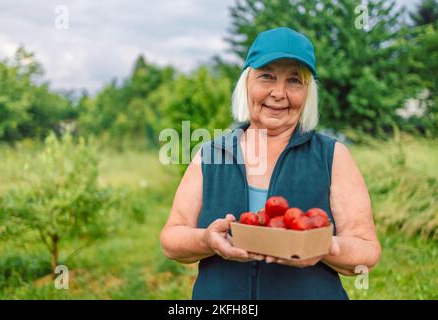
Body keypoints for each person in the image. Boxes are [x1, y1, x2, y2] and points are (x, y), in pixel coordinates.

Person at [160, 27, 381, 300]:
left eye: (294, 81)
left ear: (308, 93)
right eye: (267, 76)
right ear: (246, 83)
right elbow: (171, 239)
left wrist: (321, 246)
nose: (279, 92)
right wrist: (207, 240)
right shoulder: (211, 154)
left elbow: (367, 251)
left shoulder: (332, 156)